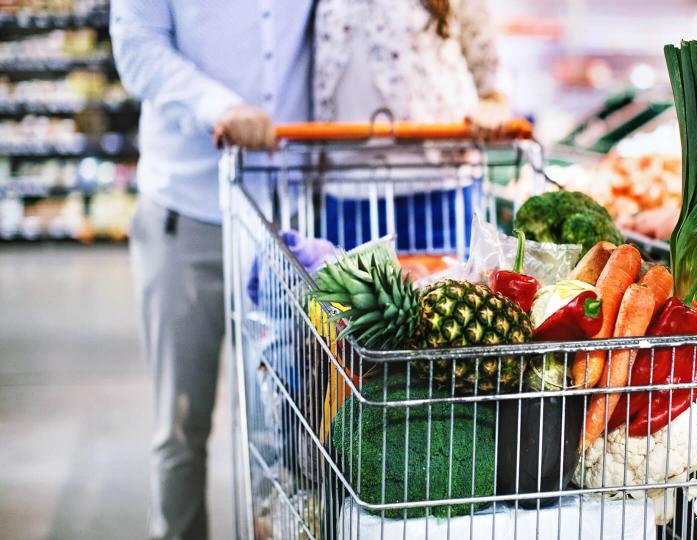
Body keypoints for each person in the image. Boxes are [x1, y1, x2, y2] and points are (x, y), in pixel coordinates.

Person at [109, 2, 313, 538]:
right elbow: (137, 48)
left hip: (285, 223)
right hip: (186, 212)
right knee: (180, 428)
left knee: (283, 432)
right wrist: (217, 104)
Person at [311, 0, 512, 252]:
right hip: (349, 187)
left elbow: (487, 58)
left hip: (439, 187)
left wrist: (493, 102)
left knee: (448, 287)